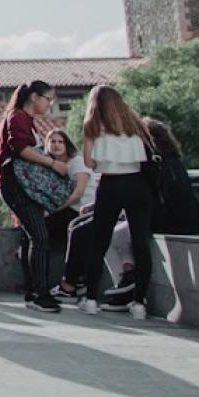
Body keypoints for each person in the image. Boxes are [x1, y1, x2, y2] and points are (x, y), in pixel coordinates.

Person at [73, 86, 157, 321]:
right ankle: (139, 303)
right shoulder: (134, 123)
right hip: (138, 185)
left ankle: (90, 299)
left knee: (99, 242)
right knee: (141, 244)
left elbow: (89, 163)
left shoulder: (92, 126)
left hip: (110, 185)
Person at [0, 80, 70, 312]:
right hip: (17, 186)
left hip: (23, 186)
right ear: (35, 97)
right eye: (48, 99)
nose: (50, 104)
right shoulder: (18, 118)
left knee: (33, 237)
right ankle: (40, 293)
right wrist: (52, 163)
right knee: (40, 237)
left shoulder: (25, 119)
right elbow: (21, 149)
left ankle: (34, 292)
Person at [45, 130, 94, 304]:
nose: (56, 145)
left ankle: (71, 284)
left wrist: (54, 209)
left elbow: (78, 193)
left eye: (60, 141)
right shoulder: (53, 167)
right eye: (52, 141)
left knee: (67, 229)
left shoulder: (77, 162)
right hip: (73, 211)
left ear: (67, 145)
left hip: (86, 210)